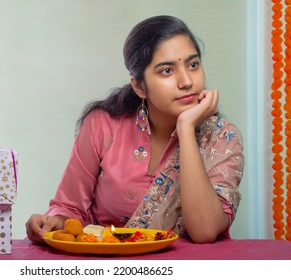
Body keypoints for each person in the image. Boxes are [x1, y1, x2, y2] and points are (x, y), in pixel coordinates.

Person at [26, 15, 244, 244]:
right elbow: (69, 207)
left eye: (193, 65)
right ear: (139, 86)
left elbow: (205, 231)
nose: (186, 81)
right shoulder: (103, 126)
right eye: (167, 71)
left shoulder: (222, 138)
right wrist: (54, 224)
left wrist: (186, 129)